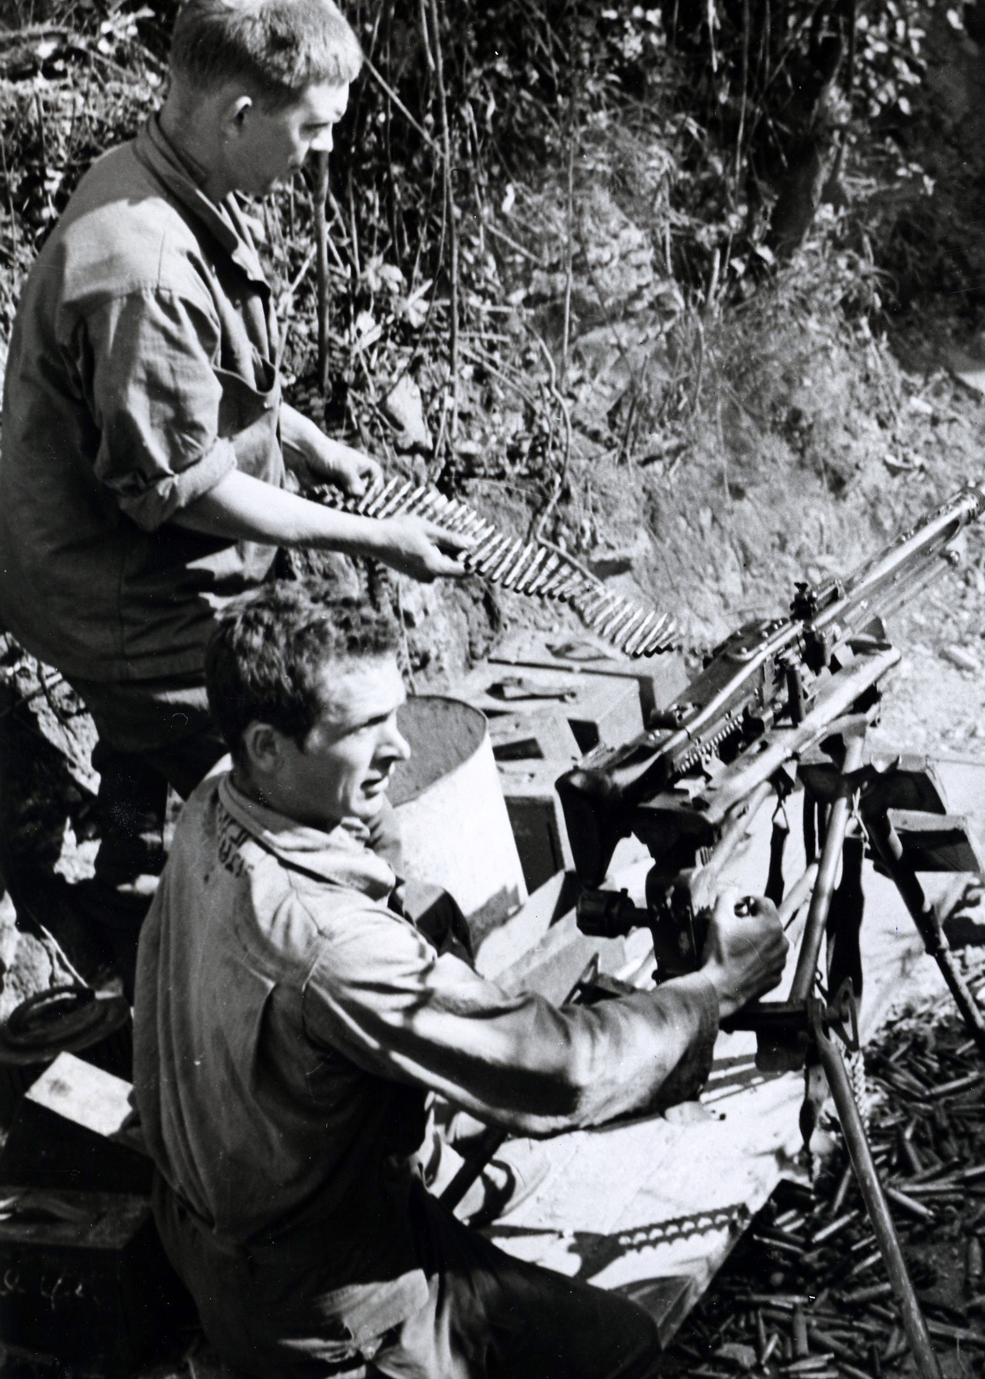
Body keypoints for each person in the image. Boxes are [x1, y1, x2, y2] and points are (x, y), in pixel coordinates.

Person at [134, 581, 791, 1379]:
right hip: (330, 1305)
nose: (402, 748)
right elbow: (561, 1070)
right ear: (270, 746)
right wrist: (715, 989)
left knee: (612, 1338)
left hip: (247, 1227)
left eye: (396, 713)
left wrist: (370, 827)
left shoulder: (216, 796)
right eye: (368, 727)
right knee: (620, 1358)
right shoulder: (332, 948)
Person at [0, 0, 468, 954]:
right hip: (123, 596)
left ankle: (146, 862)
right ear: (242, 111)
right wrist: (378, 536)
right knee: (313, 794)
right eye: (313, 127)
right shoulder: (144, 263)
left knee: (194, 785)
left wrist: (303, 438)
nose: (326, 148)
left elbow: (208, 396)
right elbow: (191, 490)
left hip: (131, 563)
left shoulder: (179, 175)